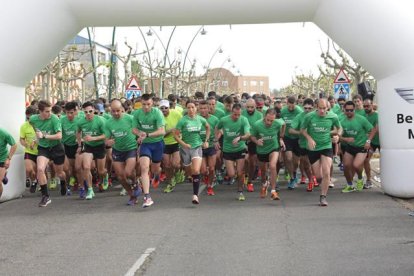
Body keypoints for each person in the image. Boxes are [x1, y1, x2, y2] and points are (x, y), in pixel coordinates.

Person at [301, 98, 341, 207]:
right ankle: (321, 181)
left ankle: (323, 197)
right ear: (316, 107)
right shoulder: (309, 117)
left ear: (327, 107)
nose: (322, 111)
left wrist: (337, 136)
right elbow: (303, 130)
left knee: (327, 172)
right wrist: (309, 138)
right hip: (313, 148)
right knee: (318, 177)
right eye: (320, 108)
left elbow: (339, 128)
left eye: (324, 108)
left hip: (326, 146)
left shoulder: (333, 116)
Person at [30, 100, 66, 207]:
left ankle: (63, 183)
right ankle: (45, 196)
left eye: (50, 111)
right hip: (43, 148)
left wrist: (44, 136)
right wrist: (36, 138)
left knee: (60, 173)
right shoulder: (33, 119)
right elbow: (35, 129)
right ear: (40, 112)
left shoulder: (54, 118)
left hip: (56, 147)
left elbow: (59, 136)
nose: (49, 113)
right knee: (40, 169)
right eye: (47, 111)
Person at [132, 93, 166, 208]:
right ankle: (147, 196)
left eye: (148, 104)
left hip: (157, 143)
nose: (146, 107)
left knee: (155, 168)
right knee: (144, 168)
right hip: (145, 144)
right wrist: (139, 134)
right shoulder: (137, 113)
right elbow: (134, 129)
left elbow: (162, 131)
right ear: (141, 104)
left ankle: (157, 174)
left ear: (152, 104)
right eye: (144, 104)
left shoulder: (157, 113)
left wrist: (147, 134)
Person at [105, 99, 141, 205]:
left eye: (118, 110)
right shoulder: (108, 123)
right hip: (118, 150)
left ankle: (135, 183)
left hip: (131, 148)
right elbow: (106, 140)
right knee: (120, 176)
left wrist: (140, 137)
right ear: (110, 111)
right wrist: (108, 142)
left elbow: (139, 130)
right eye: (113, 111)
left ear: (122, 109)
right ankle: (132, 196)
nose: (116, 113)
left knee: (128, 172)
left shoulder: (130, 119)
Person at [174, 100, 210, 204]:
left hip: (197, 147)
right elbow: (175, 135)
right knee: (189, 171)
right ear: (186, 109)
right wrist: (183, 144)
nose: (191, 110)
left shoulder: (200, 119)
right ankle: (191, 177)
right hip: (185, 149)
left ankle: (195, 195)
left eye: (193, 107)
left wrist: (206, 141)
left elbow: (208, 128)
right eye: (188, 107)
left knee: (196, 170)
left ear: (196, 108)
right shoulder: (182, 121)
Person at [215, 103, 250, 201]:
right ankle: (232, 173)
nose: (237, 117)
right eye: (235, 114)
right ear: (231, 112)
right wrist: (216, 140)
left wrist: (240, 137)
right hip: (228, 150)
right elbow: (217, 128)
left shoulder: (244, 120)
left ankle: (240, 191)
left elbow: (248, 134)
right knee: (231, 174)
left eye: (239, 115)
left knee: (240, 172)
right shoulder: (224, 120)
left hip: (240, 148)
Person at [339, 101, 375, 192]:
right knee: (346, 165)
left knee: (356, 165)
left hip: (361, 146)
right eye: (347, 110)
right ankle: (350, 185)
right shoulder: (342, 121)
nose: (349, 112)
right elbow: (338, 135)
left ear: (354, 109)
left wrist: (368, 141)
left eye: (351, 110)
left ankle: (360, 178)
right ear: (344, 110)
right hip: (350, 146)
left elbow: (373, 130)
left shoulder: (361, 119)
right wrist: (345, 139)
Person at [250, 109, 285, 200]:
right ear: (265, 116)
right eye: (268, 120)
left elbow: (284, 124)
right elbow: (252, 136)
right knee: (264, 171)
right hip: (261, 150)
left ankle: (273, 191)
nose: (269, 122)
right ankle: (264, 184)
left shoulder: (277, 123)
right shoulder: (257, 125)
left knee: (273, 166)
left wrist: (281, 137)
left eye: (272, 120)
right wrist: (257, 141)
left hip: (274, 148)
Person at [76, 101, 107, 200]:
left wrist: (93, 138)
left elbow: (106, 135)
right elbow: (78, 133)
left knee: (101, 171)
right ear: (83, 112)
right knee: (86, 167)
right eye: (86, 112)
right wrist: (80, 145)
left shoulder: (101, 120)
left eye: (90, 111)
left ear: (94, 110)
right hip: (88, 147)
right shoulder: (80, 121)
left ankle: (105, 177)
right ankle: (90, 189)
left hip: (100, 145)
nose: (88, 114)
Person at [289, 98, 316, 192]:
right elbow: (291, 130)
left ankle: (316, 177)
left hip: (317, 144)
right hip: (304, 144)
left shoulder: (318, 115)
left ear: (314, 107)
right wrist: (300, 133)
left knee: (316, 164)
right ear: (302, 107)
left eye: (309, 108)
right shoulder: (299, 116)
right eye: (305, 108)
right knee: (306, 164)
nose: (307, 110)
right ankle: (311, 180)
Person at [160, 99, 183, 193]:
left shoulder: (176, 114)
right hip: (165, 143)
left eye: (166, 108)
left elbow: (183, 125)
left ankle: (178, 171)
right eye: (162, 108)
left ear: (169, 108)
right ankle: (170, 180)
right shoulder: (159, 117)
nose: (164, 110)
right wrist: (169, 131)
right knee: (167, 165)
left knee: (175, 164)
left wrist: (178, 131)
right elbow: (161, 134)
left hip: (176, 141)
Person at [280, 96, 303, 189]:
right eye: (289, 105)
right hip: (287, 137)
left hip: (297, 138)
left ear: (295, 104)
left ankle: (294, 172)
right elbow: (280, 123)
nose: (291, 108)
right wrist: (280, 136)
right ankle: (292, 178)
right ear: (287, 103)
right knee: (288, 158)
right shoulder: (283, 111)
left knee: (296, 161)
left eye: (292, 106)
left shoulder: (299, 111)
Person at [60, 101, 82, 195]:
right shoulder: (62, 120)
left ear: (76, 111)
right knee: (68, 168)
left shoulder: (80, 119)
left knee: (77, 167)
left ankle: (81, 184)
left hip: (77, 146)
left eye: (71, 113)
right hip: (66, 146)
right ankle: (71, 183)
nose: (69, 115)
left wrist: (81, 144)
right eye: (67, 113)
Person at [242, 98, 263, 192]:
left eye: (252, 107)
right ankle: (245, 176)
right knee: (245, 160)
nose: (250, 109)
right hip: (243, 140)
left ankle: (249, 181)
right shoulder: (242, 113)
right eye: (248, 107)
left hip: (253, 140)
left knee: (252, 161)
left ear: (255, 106)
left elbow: (260, 129)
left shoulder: (259, 115)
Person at [198, 100, 219, 196]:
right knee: (203, 170)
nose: (203, 110)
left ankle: (210, 186)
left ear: (208, 109)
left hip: (211, 146)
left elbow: (220, 131)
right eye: (201, 108)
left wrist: (216, 140)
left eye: (205, 108)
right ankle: (206, 177)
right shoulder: (196, 119)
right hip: (199, 147)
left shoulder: (214, 119)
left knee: (211, 168)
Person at [20, 106, 38, 193]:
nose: (29, 119)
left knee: (38, 171)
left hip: (41, 151)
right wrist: (26, 144)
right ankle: (34, 181)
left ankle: (41, 185)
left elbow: (44, 136)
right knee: (29, 169)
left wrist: (35, 142)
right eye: (27, 117)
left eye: (30, 117)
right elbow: (21, 139)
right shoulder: (24, 126)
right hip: (29, 152)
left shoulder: (40, 124)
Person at [363, 98, 380, 189]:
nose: (366, 108)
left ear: (372, 105)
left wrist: (368, 138)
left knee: (385, 162)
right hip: (372, 143)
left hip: (381, 142)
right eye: (364, 106)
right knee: (366, 160)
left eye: (368, 106)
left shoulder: (376, 115)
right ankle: (369, 180)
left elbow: (376, 128)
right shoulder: (364, 116)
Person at [0, 128, 17, 199]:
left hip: (2, 159)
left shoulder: (3, 133)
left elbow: (14, 145)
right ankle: (3, 175)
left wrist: (8, 158)